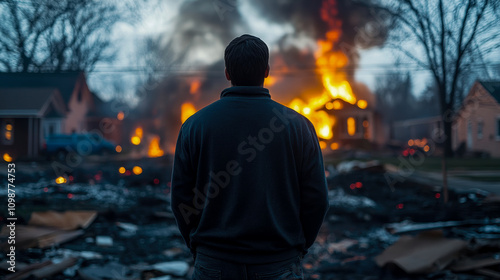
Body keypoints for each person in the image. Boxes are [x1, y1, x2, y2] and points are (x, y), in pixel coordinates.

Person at [171, 34, 329, 280]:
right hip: (278, 264)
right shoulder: (298, 126)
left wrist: (200, 248)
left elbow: (180, 199)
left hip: (214, 265)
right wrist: (297, 248)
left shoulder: (194, 126)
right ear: (266, 71)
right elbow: (317, 200)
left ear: (226, 73)